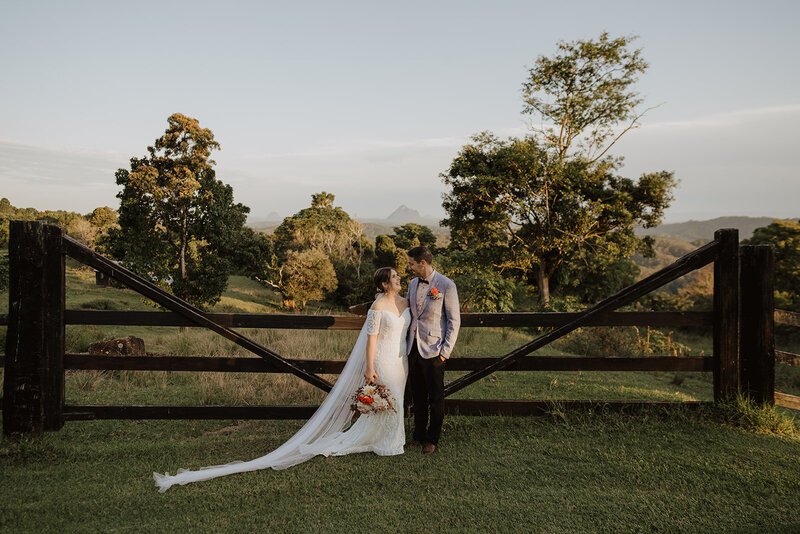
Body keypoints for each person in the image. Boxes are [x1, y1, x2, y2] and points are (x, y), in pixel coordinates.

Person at [153, 267, 410, 492]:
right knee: (388, 399)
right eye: (394, 277)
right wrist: (369, 367)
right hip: (382, 360)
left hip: (401, 361)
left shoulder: (405, 303)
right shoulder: (377, 307)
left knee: (395, 398)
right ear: (384, 284)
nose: (399, 279)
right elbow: (371, 339)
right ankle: (387, 442)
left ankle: (386, 437)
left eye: (398, 276)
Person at [405, 246, 460, 455]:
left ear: (422, 263)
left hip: (435, 351)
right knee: (417, 396)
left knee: (436, 398)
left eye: (411, 263)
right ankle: (418, 436)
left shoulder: (447, 285)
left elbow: (454, 322)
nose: (409, 267)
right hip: (414, 349)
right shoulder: (411, 284)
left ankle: (432, 439)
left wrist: (445, 352)